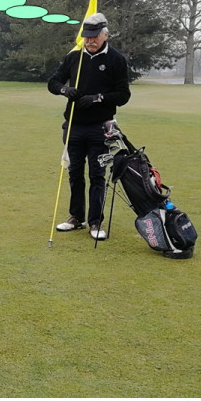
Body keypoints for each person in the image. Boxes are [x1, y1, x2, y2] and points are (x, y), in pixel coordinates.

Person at [48, 13, 130, 240]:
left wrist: (98, 98)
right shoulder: (74, 57)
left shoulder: (116, 59)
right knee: (74, 173)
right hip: (74, 126)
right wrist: (65, 90)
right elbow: (53, 82)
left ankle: (95, 222)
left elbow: (123, 95)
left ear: (105, 35)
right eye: (87, 36)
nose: (90, 41)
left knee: (97, 174)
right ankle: (76, 218)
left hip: (101, 128)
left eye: (94, 36)